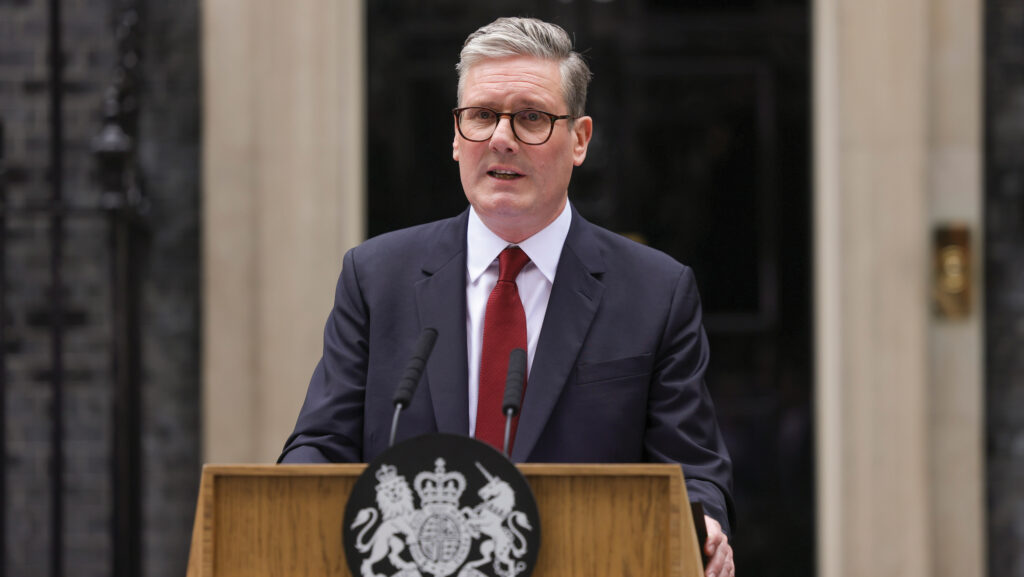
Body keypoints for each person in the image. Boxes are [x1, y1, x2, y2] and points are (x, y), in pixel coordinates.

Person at [279, 16, 735, 577]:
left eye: (531, 118)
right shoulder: (377, 277)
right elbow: (321, 444)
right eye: (481, 116)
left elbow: (692, 469)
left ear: (581, 140)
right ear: (455, 135)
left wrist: (705, 523)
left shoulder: (655, 291)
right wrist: (289, 507)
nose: (501, 137)